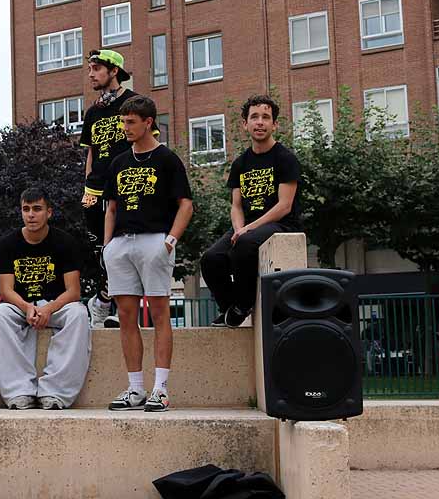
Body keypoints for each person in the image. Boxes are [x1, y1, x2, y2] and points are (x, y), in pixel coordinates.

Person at [103, 96, 194, 412]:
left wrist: (170, 240)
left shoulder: (167, 159)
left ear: (148, 123)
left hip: (155, 240)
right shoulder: (118, 163)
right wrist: (107, 247)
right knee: (126, 316)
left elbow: (186, 204)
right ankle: (136, 388)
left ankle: (161, 389)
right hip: (121, 244)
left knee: (159, 314)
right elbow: (111, 207)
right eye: (123, 121)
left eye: (131, 121)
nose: (125, 127)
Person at [200, 94, 301, 328]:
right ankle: (229, 309)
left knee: (244, 246)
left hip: (281, 224)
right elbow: (236, 205)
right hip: (248, 226)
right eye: (254, 117)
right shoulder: (240, 163)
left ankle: (243, 305)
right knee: (211, 259)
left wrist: (248, 229)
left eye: (266, 117)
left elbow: (284, 205)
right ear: (245, 123)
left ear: (275, 124)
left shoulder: (285, 159)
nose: (260, 122)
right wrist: (239, 228)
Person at [0, 188, 90, 410]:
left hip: (55, 304)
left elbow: (73, 291)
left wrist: (49, 309)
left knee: (79, 314)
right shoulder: (8, 244)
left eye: (37, 209)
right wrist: (26, 307)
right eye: (26, 209)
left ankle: (56, 392)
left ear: (49, 212)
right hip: (21, 305)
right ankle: (19, 391)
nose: (31, 215)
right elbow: (6, 290)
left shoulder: (65, 243)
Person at [80, 49, 141, 330]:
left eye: (96, 68)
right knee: (100, 248)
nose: (91, 74)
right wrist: (87, 185)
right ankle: (104, 299)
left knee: (125, 244)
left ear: (113, 71)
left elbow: (144, 145)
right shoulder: (92, 111)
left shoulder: (133, 103)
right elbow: (91, 153)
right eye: (90, 69)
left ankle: (109, 303)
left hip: (125, 185)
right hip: (95, 188)